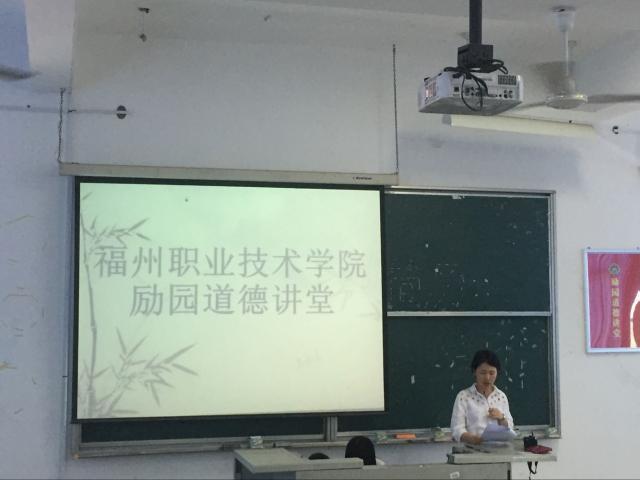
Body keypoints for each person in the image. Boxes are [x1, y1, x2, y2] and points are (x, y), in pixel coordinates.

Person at [450, 349, 514, 445]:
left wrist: (502, 418)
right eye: (483, 373)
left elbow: (510, 428)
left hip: (499, 450)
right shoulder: (463, 397)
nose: (487, 378)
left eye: (492, 373)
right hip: (472, 450)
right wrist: (474, 439)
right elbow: (456, 429)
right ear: (474, 372)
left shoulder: (501, 396)